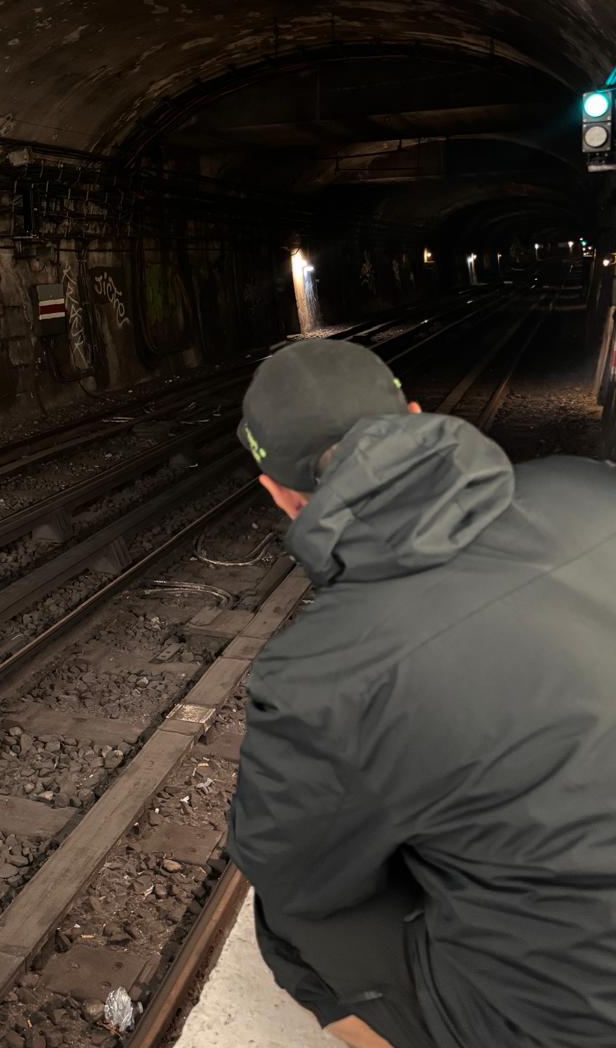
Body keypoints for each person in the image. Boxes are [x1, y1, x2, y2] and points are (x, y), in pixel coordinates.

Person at [227, 338, 616, 1048]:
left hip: (575, 1022)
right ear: (413, 414)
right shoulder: (592, 484)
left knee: (287, 918)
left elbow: (295, 875)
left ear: (277, 493)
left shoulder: (316, 675)